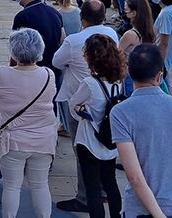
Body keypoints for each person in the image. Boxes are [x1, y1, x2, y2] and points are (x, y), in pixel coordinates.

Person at [112, 44, 172, 218]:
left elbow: (135, 177)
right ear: (159, 76)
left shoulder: (121, 112)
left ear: (129, 73)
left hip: (140, 210)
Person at [53, 0, 119, 214]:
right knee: (108, 166)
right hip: (109, 106)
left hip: (84, 108)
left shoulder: (75, 40)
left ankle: (84, 198)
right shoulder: (112, 34)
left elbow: (57, 61)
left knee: (84, 158)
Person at [0, 29, 57, 218]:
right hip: (43, 140)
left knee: (11, 186)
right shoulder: (48, 74)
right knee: (40, 184)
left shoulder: (1, 74)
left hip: (13, 141)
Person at [69, 35, 124, 218]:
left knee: (92, 188)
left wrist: (81, 109)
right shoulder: (117, 82)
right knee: (110, 183)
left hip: (90, 140)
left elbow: (73, 107)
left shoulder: (90, 83)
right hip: (110, 141)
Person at [12, 0, 65, 86]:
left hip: (32, 72)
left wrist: (13, 71)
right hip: (53, 70)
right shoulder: (55, 13)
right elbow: (62, 40)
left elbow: (16, 48)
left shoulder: (22, 17)